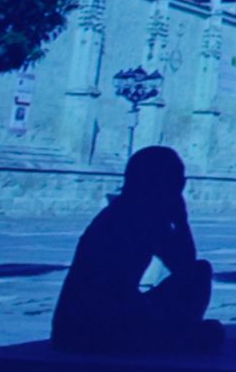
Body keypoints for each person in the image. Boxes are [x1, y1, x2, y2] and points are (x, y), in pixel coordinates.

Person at [51, 145, 225, 353]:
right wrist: (180, 218)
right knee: (207, 315)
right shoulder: (138, 217)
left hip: (79, 323)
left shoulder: (127, 210)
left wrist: (179, 217)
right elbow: (185, 266)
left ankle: (176, 334)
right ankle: (177, 336)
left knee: (200, 276)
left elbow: (184, 265)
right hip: (93, 326)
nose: (182, 184)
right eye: (178, 178)